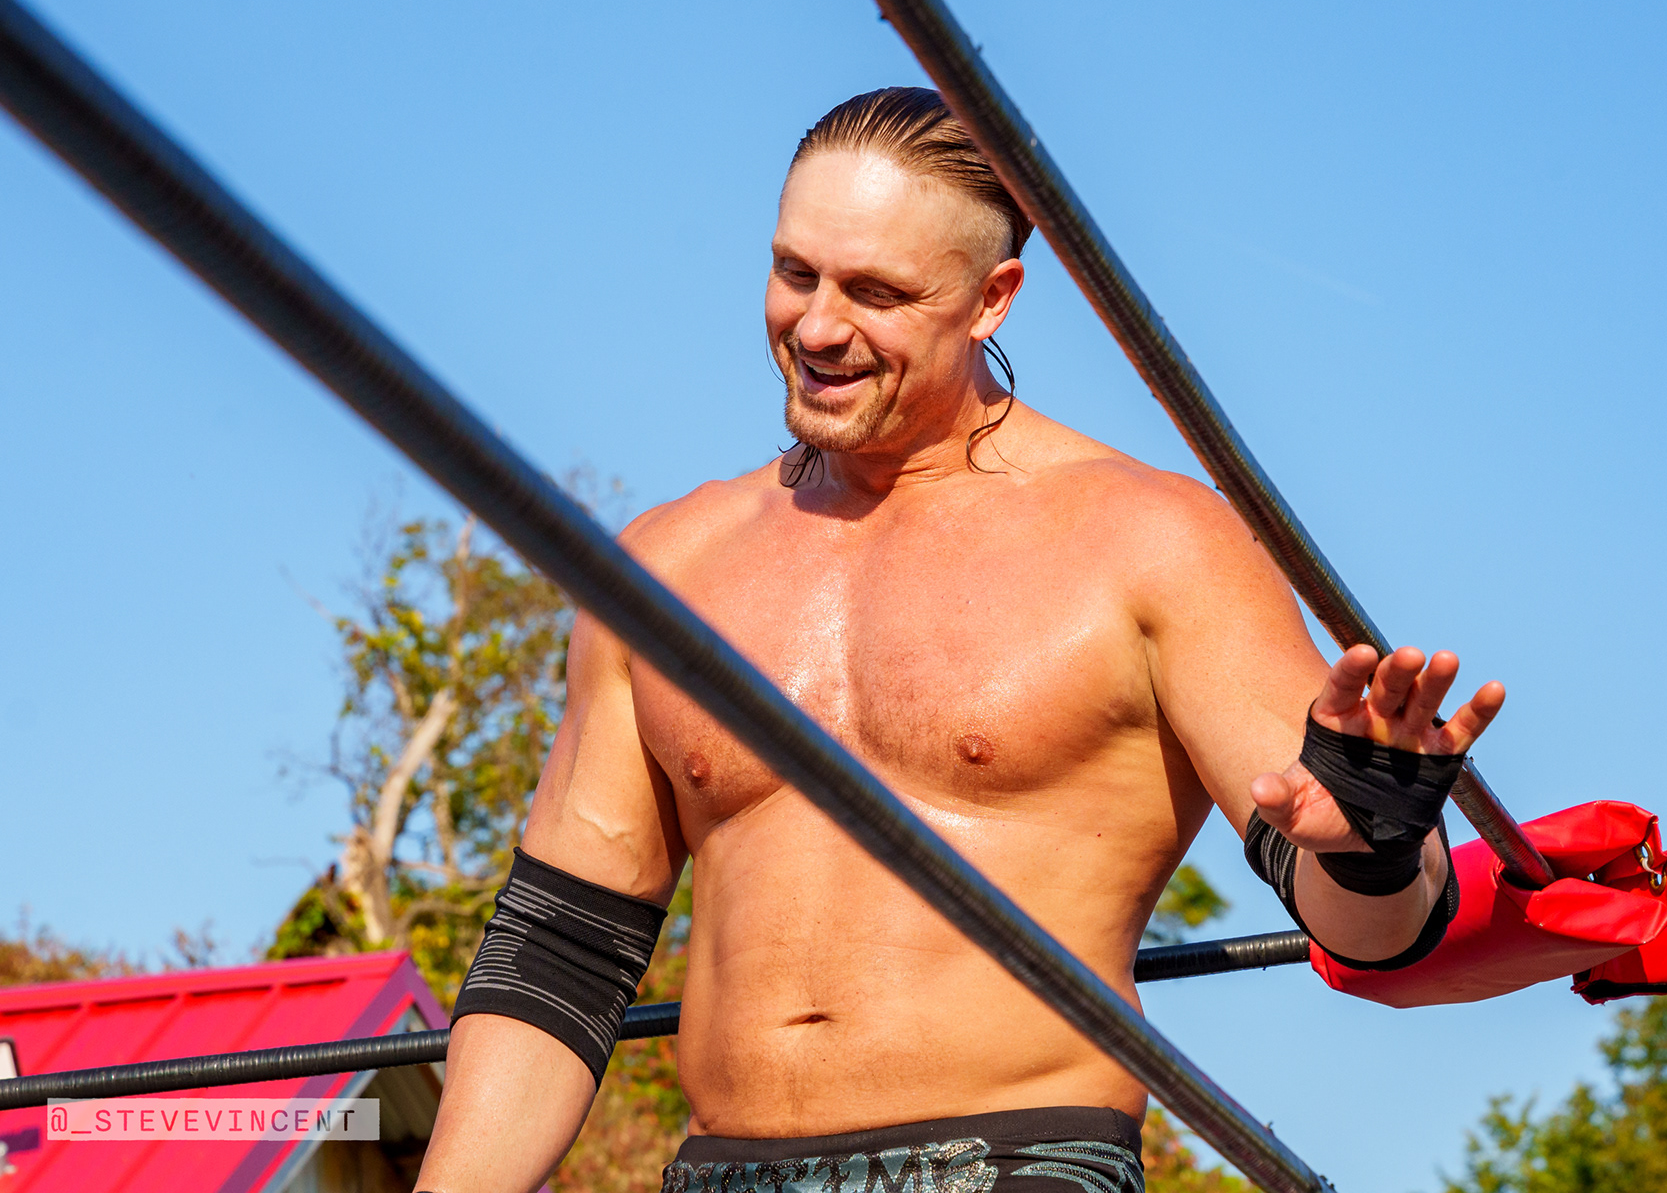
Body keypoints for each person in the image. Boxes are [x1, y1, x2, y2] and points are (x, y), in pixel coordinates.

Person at [413, 87, 1505, 1193]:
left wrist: (1371, 844)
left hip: (1018, 1161)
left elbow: (1371, 929)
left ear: (993, 299)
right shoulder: (663, 566)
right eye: (796, 272)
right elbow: (556, 956)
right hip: (718, 1172)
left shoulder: (1153, 542)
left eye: (877, 292)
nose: (818, 326)